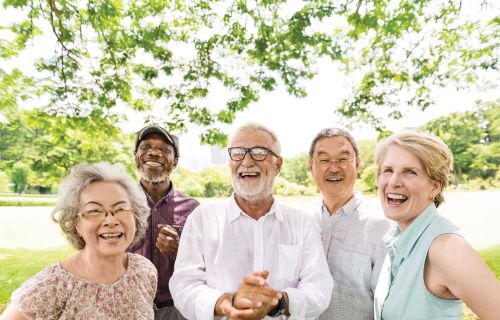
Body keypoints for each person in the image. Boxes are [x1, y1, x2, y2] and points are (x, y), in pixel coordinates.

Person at [170, 122, 333, 319]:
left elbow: (319, 288)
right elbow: (184, 285)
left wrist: (277, 302)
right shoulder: (202, 219)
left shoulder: (302, 223)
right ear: (230, 163)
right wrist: (227, 303)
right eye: (237, 153)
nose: (247, 162)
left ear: (277, 165)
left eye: (259, 152)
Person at [0, 163, 157, 319]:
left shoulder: (144, 270)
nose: (110, 220)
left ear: (135, 216)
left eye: (121, 209)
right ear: (76, 223)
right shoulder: (52, 285)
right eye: (94, 211)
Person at [373, 131, 500, 320]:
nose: (393, 182)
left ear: (435, 187)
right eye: (388, 170)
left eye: (410, 172)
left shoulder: (447, 248)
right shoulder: (397, 239)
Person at [308, 128, 391, 320]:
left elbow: (387, 305)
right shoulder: (303, 222)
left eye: (343, 159)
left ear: (358, 163)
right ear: (312, 165)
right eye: (324, 159)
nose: (334, 168)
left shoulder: (381, 225)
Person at [128, 124, 199, 320]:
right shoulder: (119, 203)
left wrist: (180, 250)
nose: (153, 152)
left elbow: (208, 266)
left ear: (175, 162)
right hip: (127, 306)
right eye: (145, 147)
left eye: (164, 149)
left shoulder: (193, 209)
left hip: (176, 309)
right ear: (136, 157)